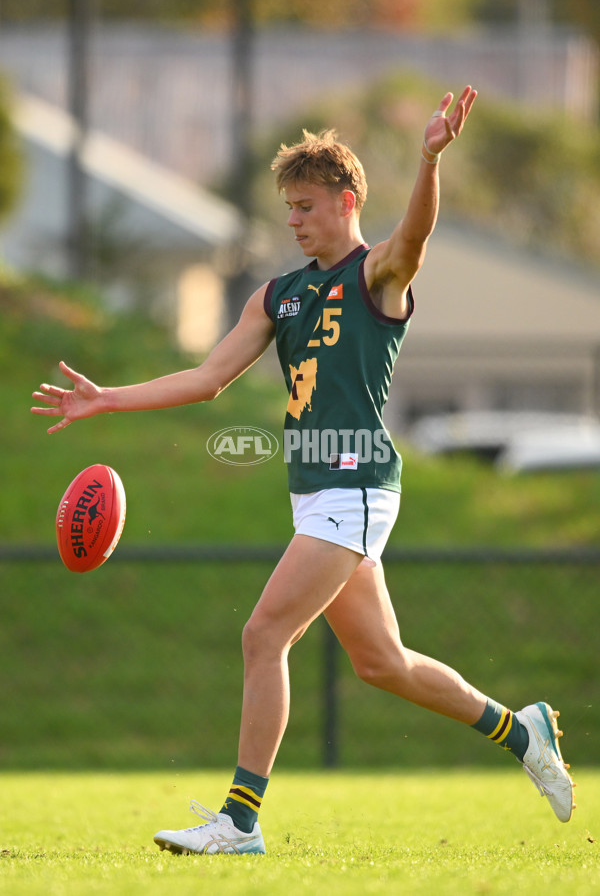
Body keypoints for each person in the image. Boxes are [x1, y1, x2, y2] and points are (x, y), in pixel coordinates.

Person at [31, 86, 574, 855]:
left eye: (306, 205)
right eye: (287, 207)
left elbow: (415, 237)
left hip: (354, 487)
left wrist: (427, 159)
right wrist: (107, 400)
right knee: (383, 664)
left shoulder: (376, 273)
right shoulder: (276, 296)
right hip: (317, 494)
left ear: (347, 201)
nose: (293, 221)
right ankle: (522, 731)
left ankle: (240, 821)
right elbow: (208, 376)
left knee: (263, 635)